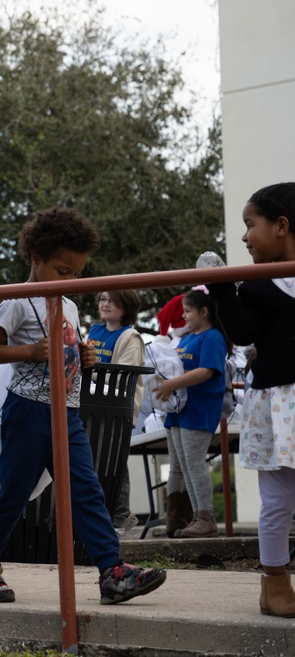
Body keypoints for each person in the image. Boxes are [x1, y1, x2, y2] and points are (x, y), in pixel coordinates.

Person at [0, 206, 166, 605]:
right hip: (28, 413)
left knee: (86, 491)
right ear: (36, 259)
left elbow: (66, 348)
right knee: (15, 494)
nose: (70, 279)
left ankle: (112, 571)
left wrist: (84, 356)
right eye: (62, 271)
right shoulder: (17, 302)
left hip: (67, 412)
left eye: (76, 273)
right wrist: (29, 350)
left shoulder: (69, 305)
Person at [206, 182, 295, 616]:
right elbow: (243, 332)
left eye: (250, 225)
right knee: (277, 498)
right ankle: (274, 581)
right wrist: (221, 287)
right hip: (276, 402)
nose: (244, 237)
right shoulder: (257, 284)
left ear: (282, 226)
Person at [153, 287, 229, 539]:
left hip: (199, 410)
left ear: (204, 312)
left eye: (187, 311)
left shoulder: (212, 338)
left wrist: (171, 384)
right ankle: (195, 517)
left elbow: (207, 371)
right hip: (179, 411)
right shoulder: (187, 338)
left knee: (195, 463)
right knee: (184, 464)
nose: (183, 316)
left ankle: (205, 517)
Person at [86, 290, 145, 534]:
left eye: (112, 300)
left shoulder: (131, 336)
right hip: (92, 404)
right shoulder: (94, 331)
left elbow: (123, 373)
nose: (105, 304)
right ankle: (114, 514)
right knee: (96, 459)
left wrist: (91, 373)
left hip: (117, 406)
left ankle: (120, 516)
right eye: (102, 299)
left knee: (113, 460)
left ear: (126, 306)